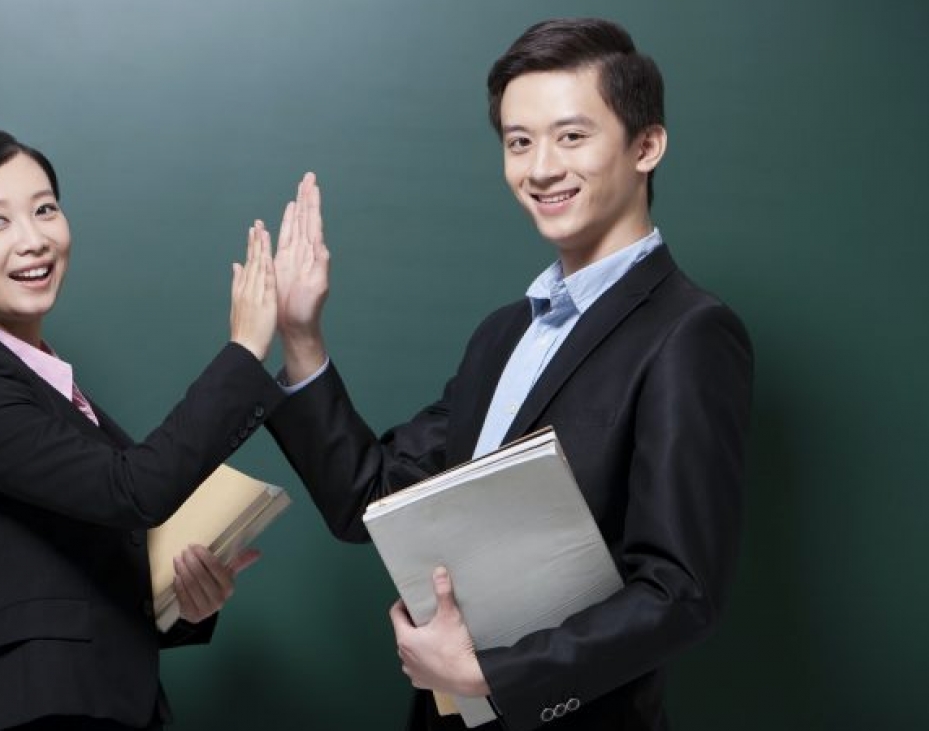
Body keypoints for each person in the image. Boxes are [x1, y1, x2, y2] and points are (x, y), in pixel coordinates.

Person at [266, 18, 754, 731]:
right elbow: (368, 497)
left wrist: (490, 675)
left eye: (572, 136)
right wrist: (303, 338)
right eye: (518, 142)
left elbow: (679, 591)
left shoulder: (690, 333)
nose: (541, 168)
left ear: (646, 145)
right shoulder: (503, 334)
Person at [0, 128, 283, 731]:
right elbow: (132, 491)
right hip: (41, 707)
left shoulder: (42, 380)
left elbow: (111, 543)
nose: (34, 240)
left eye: (45, 209)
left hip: (107, 702)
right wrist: (246, 350)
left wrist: (185, 604)